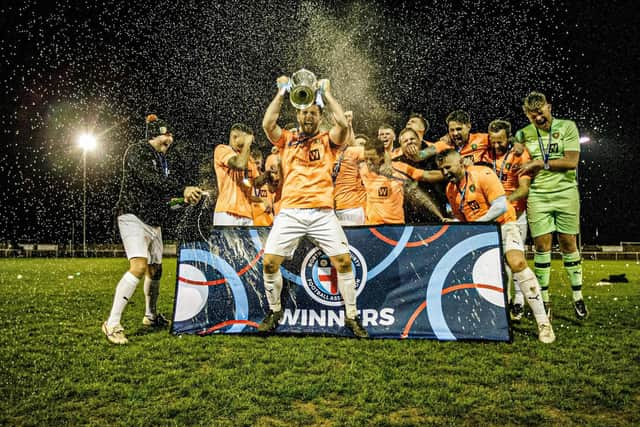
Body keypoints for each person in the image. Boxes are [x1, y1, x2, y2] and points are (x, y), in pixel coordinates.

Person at [258, 74, 368, 337]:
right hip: (291, 212)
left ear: (320, 117)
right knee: (269, 264)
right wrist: (282, 92)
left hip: (322, 213)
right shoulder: (286, 139)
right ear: (298, 115)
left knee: (343, 262)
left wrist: (327, 94)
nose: (308, 117)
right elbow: (267, 124)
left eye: (314, 114)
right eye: (304, 113)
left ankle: (351, 316)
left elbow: (342, 123)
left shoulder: (328, 141)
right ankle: (275, 311)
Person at [436, 148, 555, 343]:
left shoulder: (482, 174)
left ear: (460, 162)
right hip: (481, 234)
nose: (445, 172)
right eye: (442, 169)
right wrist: (453, 223)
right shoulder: (451, 190)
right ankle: (489, 320)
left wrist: (476, 224)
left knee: (517, 264)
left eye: (448, 167)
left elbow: (500, 206)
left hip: (503, 226)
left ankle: (543, 323)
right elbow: (464, 220)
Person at [103, 114, 203, 345]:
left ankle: (151, 315)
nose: (169, 139)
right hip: (133, 215)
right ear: (152, 135)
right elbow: (150, 181)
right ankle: (113, 323)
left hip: (153, 221)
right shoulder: (138, 151)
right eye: (164, 135)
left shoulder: (161, 161)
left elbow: (163, 200)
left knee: (155, 269)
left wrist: (183, 201)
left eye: (170, 136)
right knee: (138, 267)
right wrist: (182, 188)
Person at [516, 91, 588, 320]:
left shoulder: (567, 127)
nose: (538, 117)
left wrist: (541, 163)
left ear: (549, 107)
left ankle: (577, 295)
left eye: (541, 111)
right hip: (538, 195)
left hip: (566, 193)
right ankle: (544, 300)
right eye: (532, 114)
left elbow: (571, 161)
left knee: (568, 243)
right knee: (541, 246)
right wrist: (515, 148)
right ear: (527, 115)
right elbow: (510, 147)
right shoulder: (523, 134)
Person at [483, 119, 533, 320]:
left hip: (516, 215)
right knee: (499, 263)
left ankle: (519, 301)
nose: (496, 146)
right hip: (494, 217)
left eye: (501, 142)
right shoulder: (486, 153)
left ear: (509, 138)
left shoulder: (520, 155)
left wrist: (504, 202)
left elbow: (524, 188)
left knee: (516, 260)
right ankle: (504, 300)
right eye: (493, 141)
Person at [362, 137, 444, 224]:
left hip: (396, 226)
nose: (368, 162)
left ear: (381, 156)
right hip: (371, 227)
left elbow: (427, 175)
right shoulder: (363, 169)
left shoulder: (400, 168)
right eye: (365, 159)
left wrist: (451, 173)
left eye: (372, 159)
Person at [393, 127, 448, 223]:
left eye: (412, 139)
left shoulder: (435, 157)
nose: (410, 142)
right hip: (410, 216)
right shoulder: (397, 162)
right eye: (405, 141)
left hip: (438, 212)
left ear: (419, 140)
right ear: (401, 146)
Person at [213, 123, 258, 226]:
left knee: (253, 243)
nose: (249, 144)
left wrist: (269, 175)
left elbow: (256, 182)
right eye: (246, 140)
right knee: (227, 243)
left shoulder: (249, 159)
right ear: (234, 137)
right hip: (227, 212)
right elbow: (239, 164)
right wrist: (247, 144)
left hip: (247, 214)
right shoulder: (222, 149)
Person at [415, 110, 489, 165]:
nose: (455, 133)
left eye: (459, 129)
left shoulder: (481, 139)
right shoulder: (444, 144)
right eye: (452, 130)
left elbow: (499, 138)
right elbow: (421, 155)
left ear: (468, 126)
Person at [333, 110, 367, 226]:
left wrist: (349, 124)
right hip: (329, 210)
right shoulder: (326, 153)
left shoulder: (353, 151)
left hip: (351, 208)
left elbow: (377, 155)